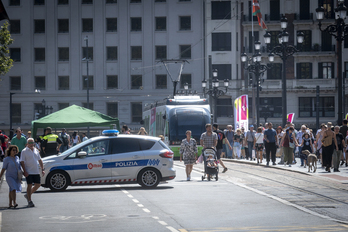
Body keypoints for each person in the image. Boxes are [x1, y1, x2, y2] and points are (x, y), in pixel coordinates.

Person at [20, 138, 45, 207]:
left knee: (38, 184)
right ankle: (30, 200)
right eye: (29, 143)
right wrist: (24, 171)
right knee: (29, 185)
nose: (31, 144)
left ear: (34, 143)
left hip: (36, 171)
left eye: (32, 143)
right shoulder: (24, 151)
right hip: (28, 171)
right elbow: (22, 162)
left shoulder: (36, 150)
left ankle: (28, 194)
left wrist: (42, 169)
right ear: (27, 144)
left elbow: (40, 160)